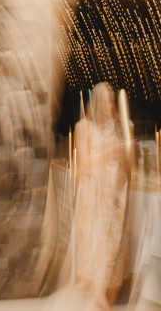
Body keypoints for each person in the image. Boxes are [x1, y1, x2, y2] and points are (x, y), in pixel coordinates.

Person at [73, 82, 131, 310]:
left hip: (116, 190)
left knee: (117, 241)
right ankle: (99, 293)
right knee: (103, 241)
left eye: (112, 101)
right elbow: (85, 162)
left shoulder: (116, 126)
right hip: (95, 191)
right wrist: (111, 150)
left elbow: (124, 160)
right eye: (106, 101)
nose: (111, 105)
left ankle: (109, 288)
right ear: (96, 102)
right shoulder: (83, 127)